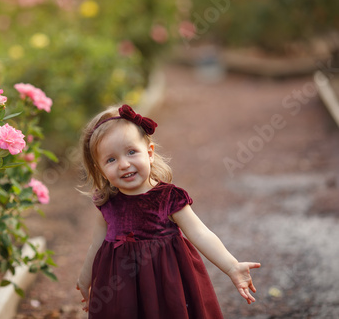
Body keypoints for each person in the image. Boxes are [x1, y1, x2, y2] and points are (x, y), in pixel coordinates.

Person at [76, 104, 261, 318]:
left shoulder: (168, 198)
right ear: (100, 169)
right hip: (121, 289)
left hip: (167, 283)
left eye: (131, 152)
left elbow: (201, 234)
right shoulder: (107, 203)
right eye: (111, 159)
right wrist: (85, 278)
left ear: (150, 153)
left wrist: (231, 266)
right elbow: (96, 246)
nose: (124, 164)